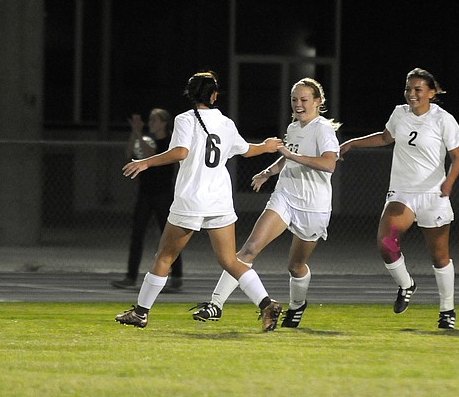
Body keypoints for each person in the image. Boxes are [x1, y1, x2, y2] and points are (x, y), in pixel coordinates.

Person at [115, 71, 284, 331]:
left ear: (191, 94)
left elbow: (181, 151)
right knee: (229, 260)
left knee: (164, 257)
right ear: (214, 95)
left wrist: (145, 161)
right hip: (219, 199)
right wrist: (267, 145)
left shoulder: (185, 119)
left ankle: (140, 313)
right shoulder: (226, 123)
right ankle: (265, 303)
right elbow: (246, 150)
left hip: (192, 199)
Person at [190, 78, 341, 328]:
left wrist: (292, 155)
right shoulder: (293, 127)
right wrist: (268, 172)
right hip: (285, 197)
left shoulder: (322, 129)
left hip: (314, 206)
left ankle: (297, 304)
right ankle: (215, 304)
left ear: (318, 101)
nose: (298, 104)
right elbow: (286, 159)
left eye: (304, 99)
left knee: (296, 266)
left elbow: (329, 164)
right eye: (294, 100)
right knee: (248, 250)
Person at [339, 68, 459, 329]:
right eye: (409, 89)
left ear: (431, 92)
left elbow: (457, 158)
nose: (412, 94)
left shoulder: (444, 119)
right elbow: (386, 138)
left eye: (418, 89)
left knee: (439, 257)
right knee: (386, 243)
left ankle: (447, 310)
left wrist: (449, 182)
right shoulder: (400, 113)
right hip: (402, 193)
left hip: (433, 195)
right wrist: (352, 142)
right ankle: (407, 284)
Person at [111, 109, 185, 292]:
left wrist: (138, 133)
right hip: (145, 193)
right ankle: (131, 276)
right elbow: (130, 154)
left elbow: (152, 155)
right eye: (150, 119)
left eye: (155, 120)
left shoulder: (169, 141)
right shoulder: (147, 138)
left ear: (164, 122)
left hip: (163, 194)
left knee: (169, 236)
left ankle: (176, 276)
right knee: (137, 235)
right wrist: (134, 134)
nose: (150, 122)